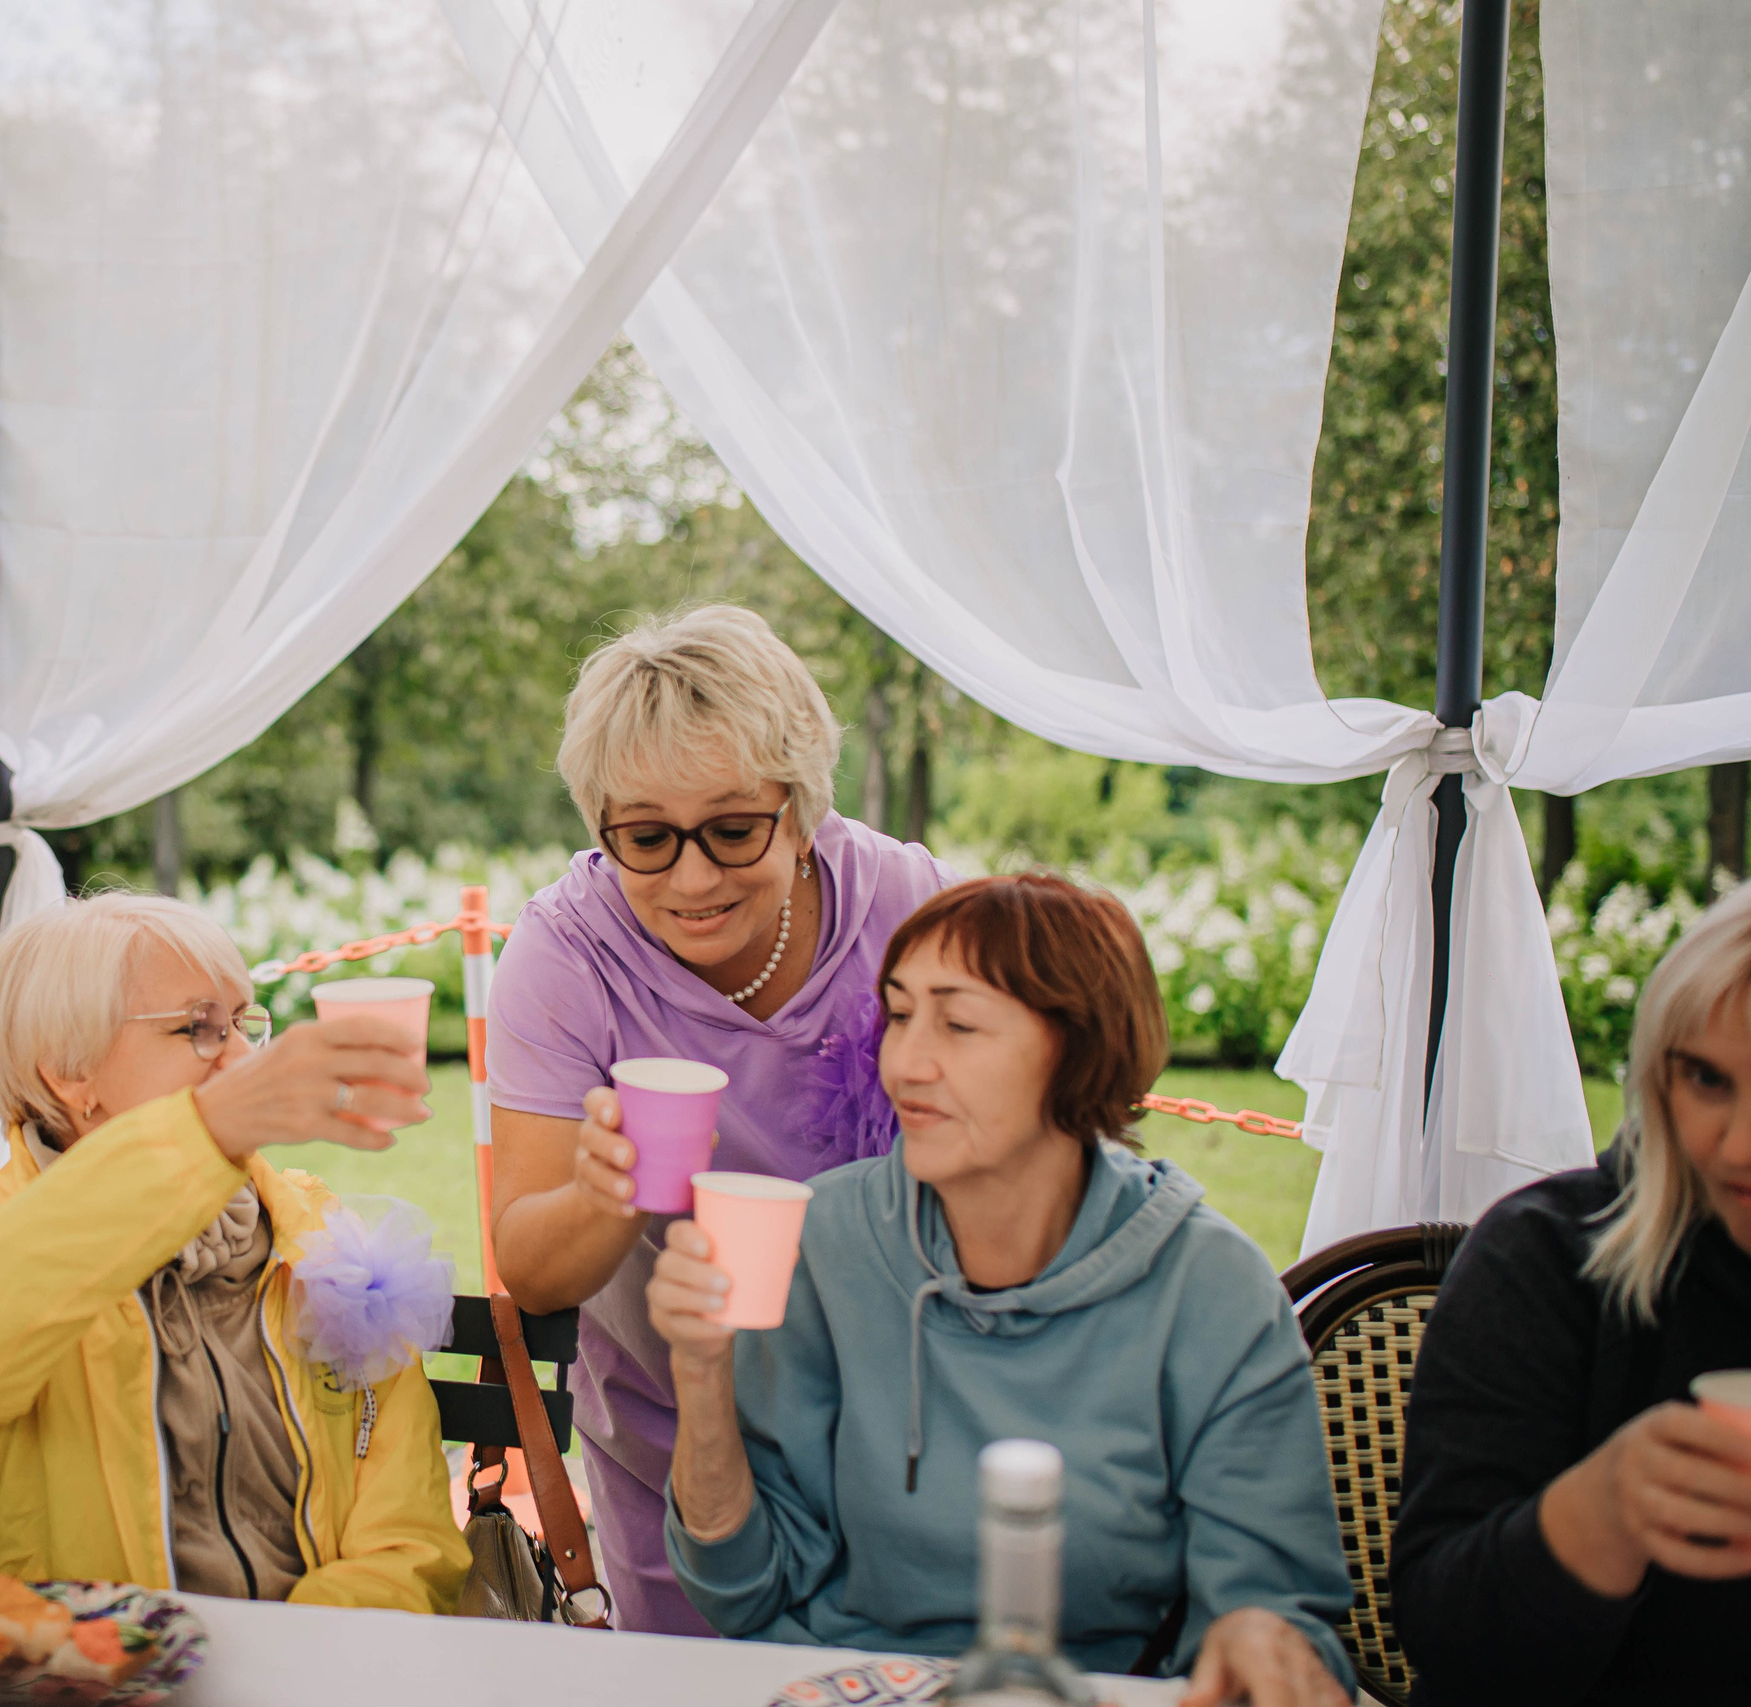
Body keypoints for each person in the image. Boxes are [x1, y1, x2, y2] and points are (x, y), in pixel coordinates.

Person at [649, 874, 1353, 1703]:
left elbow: (1280, 1624)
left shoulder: (1210, 1289)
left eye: (958, 1022)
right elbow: (743, 1590)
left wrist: (1257, 1628)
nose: (905, 1062)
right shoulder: (825, 1237)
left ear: (1078, 1050)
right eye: (901, 1014)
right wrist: (700, 1372)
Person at [485, 603, 952, 1632]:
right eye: (645, 837)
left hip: (908, 1424)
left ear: (802, 807)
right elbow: (530, 1265)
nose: (692, 880)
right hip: (674, 1440)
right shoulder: (564, 956)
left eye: (733, 829)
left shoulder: (908, 905)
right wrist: (604, 1195)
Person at [0, 894, 469, 1612]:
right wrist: (202, 1134)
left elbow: (409, 1541)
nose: (246, 1058)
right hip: (94, 1677)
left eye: (245, 1022)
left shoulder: (318, 1232)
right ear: (69, 1071)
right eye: (199, 1028)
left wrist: (297, 1667)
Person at [1392, 882, 1751, 1705]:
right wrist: (1604, 1510)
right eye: (1708, 1079)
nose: (1738, 1144)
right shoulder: (1545, 1261)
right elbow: (1448, 1636)